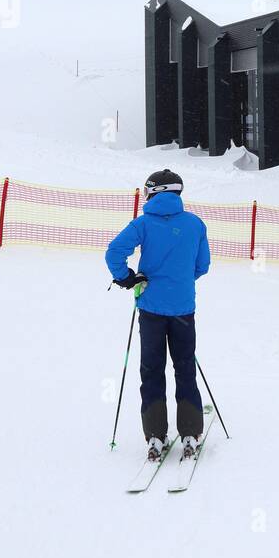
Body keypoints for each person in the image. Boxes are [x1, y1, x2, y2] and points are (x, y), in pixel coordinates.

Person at [105, 169, 211, 463]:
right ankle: (189, 432)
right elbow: (202, 266)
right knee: (185, 367)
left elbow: (114, 252)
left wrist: (127, 278)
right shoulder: (194, 224)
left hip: (151, 309)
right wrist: (179, 280)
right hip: (183, 310)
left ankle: (155, 434)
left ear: (153, 192)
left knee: (151, 369)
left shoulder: (142, 224)